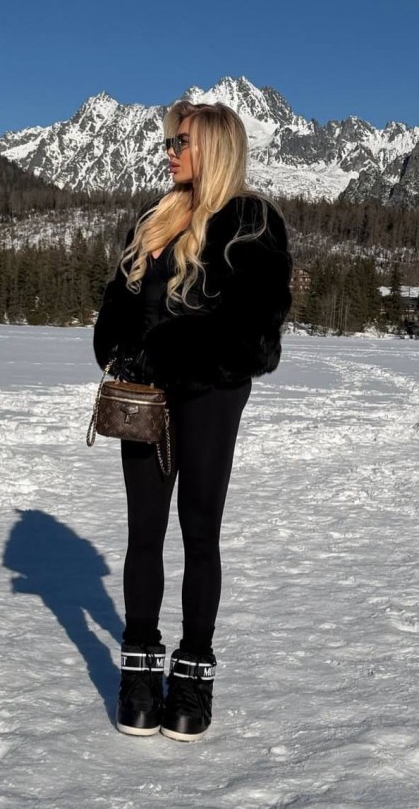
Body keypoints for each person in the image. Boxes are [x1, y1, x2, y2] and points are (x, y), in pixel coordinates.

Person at [93, 99, 292, 742]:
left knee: (200, 532)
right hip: (144, 397)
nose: (170, 152)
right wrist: (116, 348)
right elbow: (116, 306)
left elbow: (254, 331)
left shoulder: (251, 222)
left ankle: (193, 675)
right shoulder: (155, 218)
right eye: (169, 143)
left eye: (181, 142)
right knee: (143, 534)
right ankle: (139, 672)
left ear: (217, 147)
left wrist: (166, 353)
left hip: (210, 395)